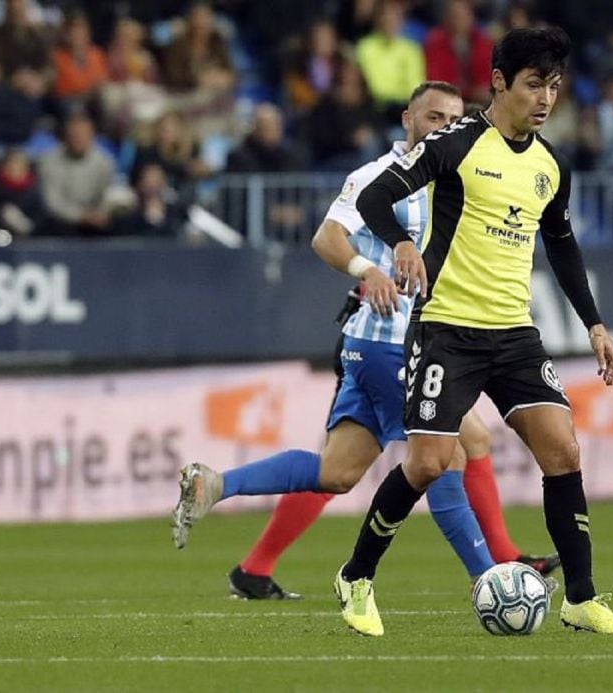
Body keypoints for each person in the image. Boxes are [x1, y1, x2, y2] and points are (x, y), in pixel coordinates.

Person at [170, 81, 558, 599]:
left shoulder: (457, 174)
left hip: (398, 343)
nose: (445, 126)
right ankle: (491, 578)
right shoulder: (379, 176)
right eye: (434, 117)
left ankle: (216, 484)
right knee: (450, 454)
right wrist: (365, 270)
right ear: (408, 120)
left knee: (337, 471)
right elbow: (326, 237)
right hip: (390, 342)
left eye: (455, 118)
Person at [338, 26, 613, 636]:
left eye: (554, 87)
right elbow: (374, 197)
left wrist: (595, 323)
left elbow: (562, 244)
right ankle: (356, 576)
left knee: (563, 450)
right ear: (499, 83)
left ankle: (579, 597)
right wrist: (399, 243)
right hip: (447, 328)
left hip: (514, 332)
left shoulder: (551, 165)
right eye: (533, 85)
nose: (546, 99)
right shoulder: (456, 144)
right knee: (427, 463)